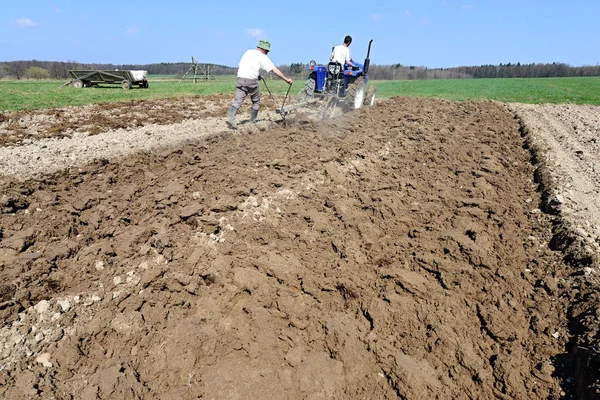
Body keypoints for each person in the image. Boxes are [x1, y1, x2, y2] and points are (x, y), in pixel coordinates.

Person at [227, 40, 293, 129]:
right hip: (251, 81)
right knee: (256, 102)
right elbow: (274, 70)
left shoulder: (248, 52)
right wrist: (286, 79)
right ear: (264, 50)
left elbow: (247, 66)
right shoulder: (262, 57)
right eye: (267, 51)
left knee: (238, 101)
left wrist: (257, 75)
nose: (267, 53)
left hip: (240, 78)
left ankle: (231, 119)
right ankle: (252, 121)